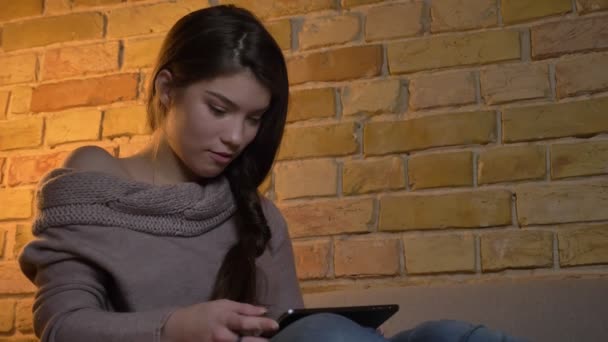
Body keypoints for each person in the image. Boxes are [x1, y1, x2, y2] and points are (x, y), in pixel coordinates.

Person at [19, 5, 525, 342]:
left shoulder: (256, 215)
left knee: (448, 336)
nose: (238, 137)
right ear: (167, 90)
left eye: (254, 118)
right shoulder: (95, 175)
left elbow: (291, 331)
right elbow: (63, 326)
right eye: (219, 109)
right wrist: (180, 326)